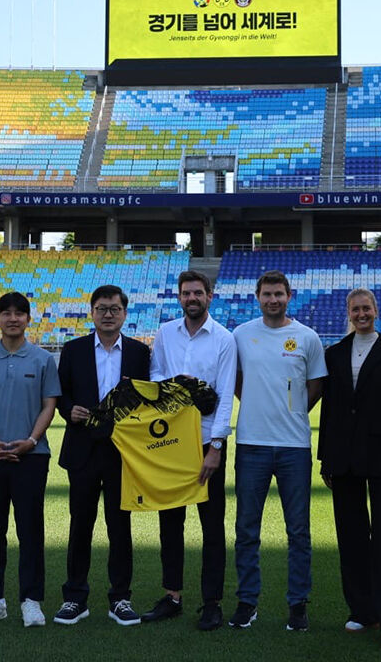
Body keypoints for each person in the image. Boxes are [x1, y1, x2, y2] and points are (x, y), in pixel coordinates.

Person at [230, 270, 326, 632]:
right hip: (251, 444)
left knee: (298, 530)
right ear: (258, 296)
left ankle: (297, 604)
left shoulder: (307, 337)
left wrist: (294, 410)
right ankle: (247, 602)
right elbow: (235, 380)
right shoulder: (242, 334)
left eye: (279, 294)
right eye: (267, 294)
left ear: (289, 296)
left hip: (294, 447)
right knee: (246, 530)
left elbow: (316, 385)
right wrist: (254, 402)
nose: (273, 300)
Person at [320, 288, 381, 651]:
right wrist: (325, 457)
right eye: (355, 309)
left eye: (366, 308)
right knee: (352, 538)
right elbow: (330, 411)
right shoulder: (335, 353)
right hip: (343, 459)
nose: (361, 314)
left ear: (376, 311)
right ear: (348, 313)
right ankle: (362, 609)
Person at [143, 270, 237, 631]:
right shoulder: (166, 333)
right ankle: (173, 596)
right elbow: (154, 377)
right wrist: (175, 386)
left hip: (206, 444)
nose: (192, 298)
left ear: (209, 296)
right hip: (171, 442)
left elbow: (226, 395)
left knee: (212, 526)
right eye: (186, 293)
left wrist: (216, 446)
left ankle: (212, 602)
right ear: (179, 297)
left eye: (198, 292)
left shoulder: (225, 339)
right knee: (171, 523)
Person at [54, 285, 150, 627]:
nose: (108, 314)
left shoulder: (140, 353)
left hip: (123, 454)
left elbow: (147, 399)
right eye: (102, 308)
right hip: (82, 450)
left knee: (119, 527)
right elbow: (60, 393)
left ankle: (120, 598)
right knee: (81, 525)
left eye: (114, 309)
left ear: (125, 314)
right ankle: (74, 598)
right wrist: (70, 411)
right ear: (92, 312)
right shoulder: (74, 349)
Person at [0, 292, 60, 628]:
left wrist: (31, 440)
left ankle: (31, 600)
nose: (13, 318)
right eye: (6, 313)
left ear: (28, 319)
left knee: (30, 529)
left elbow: (49, 405)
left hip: (31, 456)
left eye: (20, 313)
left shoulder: (43, 359)